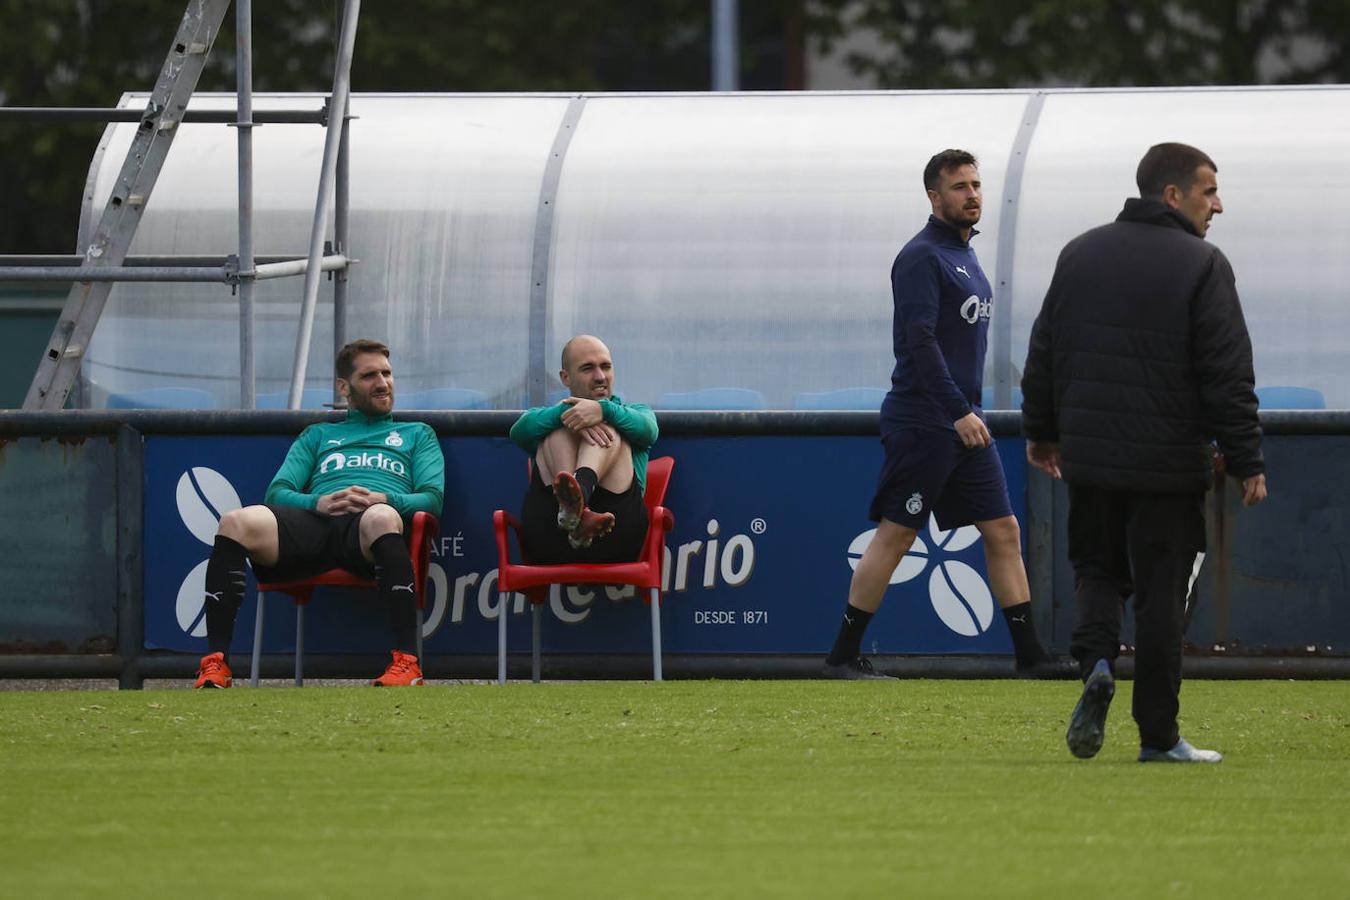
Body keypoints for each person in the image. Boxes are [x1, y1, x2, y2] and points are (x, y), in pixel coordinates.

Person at [1021, 142, 1267, 763]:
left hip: (1091, 457)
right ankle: (1158, 736)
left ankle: (1098, 663)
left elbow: (1044, 351)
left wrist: (1043, 432)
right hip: (1167, 463)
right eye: (1209, 191)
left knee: (1097, 572)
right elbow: (1226, 371)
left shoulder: (1079, 253)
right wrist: (1245, 458)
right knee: (1161, 596)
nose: (1219, 204)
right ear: (1173, 195)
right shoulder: (1203, 263)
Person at [823, 149, 1060, 680]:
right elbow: (920, 340)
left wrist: (965, 411)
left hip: (963, 420)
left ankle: (1031, 658)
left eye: (977, 185)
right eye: (959, 187)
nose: (973, 194)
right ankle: (841, 657)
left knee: (1003, 530)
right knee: (898, 533)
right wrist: (957, 411)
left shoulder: (967, 257)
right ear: (934, 196)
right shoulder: (921, 257)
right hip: (926, 420)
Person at [193, 339, 445, 688]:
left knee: (381, 517)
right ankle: (215, 663)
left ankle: (407, 662)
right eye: (370, 375)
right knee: (235, 522)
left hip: (367, 533)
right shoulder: (318, 435)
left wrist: (381, 497)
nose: (383, 383)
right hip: (316, 524)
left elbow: (431, 500)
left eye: (387, 373)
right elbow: (277, 493)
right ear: (344, 387)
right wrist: (317, 503)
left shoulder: (417, 434)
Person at [509, 335, 658, 564]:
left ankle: (577, 501)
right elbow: (519, 431)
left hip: (614, 536)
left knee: (611, 429)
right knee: (558, 429)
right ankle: (577, 511)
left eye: (605, 367)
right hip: (550, 538)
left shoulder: (634, 412)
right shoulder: (550, 417)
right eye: (588, 368)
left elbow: (649, 431)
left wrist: (604, 411)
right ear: (565, 377)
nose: (600, 377)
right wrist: (565, 415)